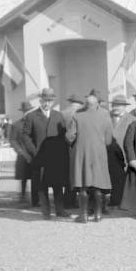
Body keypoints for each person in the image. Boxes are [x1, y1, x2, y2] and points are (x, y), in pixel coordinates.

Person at [22, 88, 71, 219]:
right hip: (39, 157)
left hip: (56, 157)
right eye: (45, 100)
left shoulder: (58, 115)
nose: (47, 103)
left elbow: (63, 135)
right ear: (40, 101)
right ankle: (46, 212)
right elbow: (25, 136)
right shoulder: (31, 116)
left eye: (50, 101)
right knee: (42, 185)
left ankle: (60, 210)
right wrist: (34, 151)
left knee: (58, 184)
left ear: (53, 101)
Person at [66, 93, 113, 223]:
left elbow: (70, 137)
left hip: (82, 153)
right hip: (99, 154)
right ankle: (98, 215)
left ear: (85, 105)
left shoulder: (77, 116)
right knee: (97, 185)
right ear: (97, 104)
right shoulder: (106, 117)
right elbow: (109, 140)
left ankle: (84, 216)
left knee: (82, 185)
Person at [107, 95, 136, 206]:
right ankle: (114, 200)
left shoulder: (132, 119)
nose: (115, 108)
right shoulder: (106, 117)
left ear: (124, 106)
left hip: (124, 153)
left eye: (119, 105)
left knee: (123, 178)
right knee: (112, 177)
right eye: (114, 105)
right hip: (108, 154)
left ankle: (124, 200)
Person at [61, 94, 84, 209]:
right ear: (80, 103)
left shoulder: (63, 113)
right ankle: (72, 200)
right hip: (77, 146)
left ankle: (67, 199)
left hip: (64, 147)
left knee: (68, 175)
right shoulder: (80, 113)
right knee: (76, 175)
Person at [9, 101, 34, 200]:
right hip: (23, 154)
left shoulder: (35, 122)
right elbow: (12, 139)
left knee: (36, 177)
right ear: (23, 112)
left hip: (34, 153)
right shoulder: (16, 125)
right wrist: (19, 151)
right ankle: (23, 195)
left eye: (29, 111)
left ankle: (36, 197)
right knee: (23, 177)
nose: (27, 113)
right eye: (25, 111)